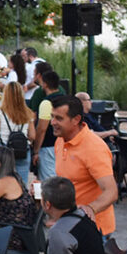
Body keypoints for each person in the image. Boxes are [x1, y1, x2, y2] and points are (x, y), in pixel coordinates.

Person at [51, 95, 118, 240]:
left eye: (59, 118)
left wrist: (90, 209)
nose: (52, 122)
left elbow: (111, 192)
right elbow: (68, 180)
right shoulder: (60, 140)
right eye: (52, 117)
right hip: (71, 225)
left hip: (94, 229)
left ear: (76, 120)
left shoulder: (93, 148)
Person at [0, 81, 36, 184]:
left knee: (2, 182)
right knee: (22, 182)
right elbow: (32, 135)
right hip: (22, 150)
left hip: (3, 148)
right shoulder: (28, 112)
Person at [31, 69, 63, 182]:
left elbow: (41, 129)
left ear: (45, 84)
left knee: (49, 183)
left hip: (48, 147)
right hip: (63, 145)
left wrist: (35, 150)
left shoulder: (46, 103)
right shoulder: (65, 99)